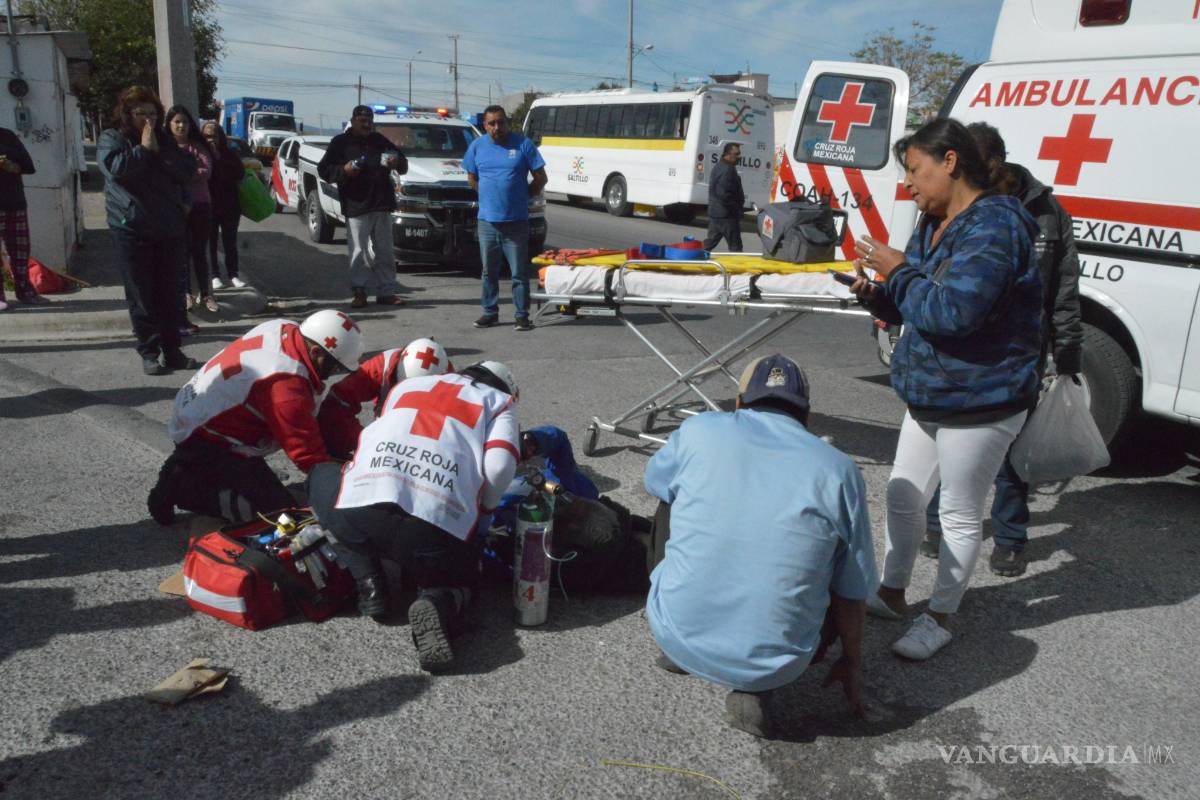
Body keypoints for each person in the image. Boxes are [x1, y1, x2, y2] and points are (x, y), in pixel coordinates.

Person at [849, 118, 1042, 661]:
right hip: (931, 394)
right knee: (903, 495)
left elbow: (956, 313)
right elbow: (918, 306)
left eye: (915, 169)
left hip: (982, 398)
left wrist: (901, 272)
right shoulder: (932, 220)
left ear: (950, 161)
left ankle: (940, 615)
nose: (908, 183)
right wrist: (878, 294)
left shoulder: (995, 227)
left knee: (958, 512)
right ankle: (891, 592)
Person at [643, 354, 875, 739]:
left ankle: (683, 640)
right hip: (781, 664)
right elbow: (854, 591)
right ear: (806, 415)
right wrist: (852, 662)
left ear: (738, 403)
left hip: (672, 631)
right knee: (838, 556)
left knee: (670, 497)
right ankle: (755, 687)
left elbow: (656, 481)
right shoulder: (838, 469)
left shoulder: (699, 430)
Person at [920, 121, 1084, 578]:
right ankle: (937, 525)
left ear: (992, 164)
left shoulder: (1046, 211)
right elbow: (928, 275)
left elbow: (1064, 287)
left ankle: (1011, 537)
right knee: (946, 446)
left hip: (1017, 358)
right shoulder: (945, 208)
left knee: (1012, 453)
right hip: (955, 354)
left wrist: (1066, 350)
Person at [307, 361, 521, 673]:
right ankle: (438, 601)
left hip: (360, 512)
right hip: (429, 534)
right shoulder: (500, 402)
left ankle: (369, 581)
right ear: (507, 388)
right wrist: (482, 518)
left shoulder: (407, 386)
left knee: (320, 475)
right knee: (459, 577)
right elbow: (499, 468)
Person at [147, 309, 365, 526]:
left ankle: (184, 467)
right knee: (281, 517)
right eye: (334, 366)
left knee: (273, 496)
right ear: (317, 351)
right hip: (211, 437)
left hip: (199, 409)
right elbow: (307, 454)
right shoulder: (287, 386)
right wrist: (335, 489)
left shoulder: (284, 327)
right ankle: (183, 487)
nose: (334, 372)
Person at [97, 85, 199, 376]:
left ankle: (174, 351)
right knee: (142, 295)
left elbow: (187, 170)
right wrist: (143, 150)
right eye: (141, 113)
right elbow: (116, 169)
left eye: (153, 113)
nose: (148, 120)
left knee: (171, 294)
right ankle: (149, 352)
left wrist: (157, 150)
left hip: (169, 227)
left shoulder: (165, 142)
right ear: (127, 114)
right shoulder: (112, 138)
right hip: (131, 227)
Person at [462, 105, 547, 332]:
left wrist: (525, 195)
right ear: (485, 125)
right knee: (489, 271)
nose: (496, 127)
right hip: (487, 222)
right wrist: (486, 194)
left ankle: (522, 315)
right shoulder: (477, 146)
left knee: (519, 273)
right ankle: (490, 312)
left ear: (507, 123)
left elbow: (541, 177)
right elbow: (471, 177)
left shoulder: (523, 145)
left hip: (516, 221)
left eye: (500, 122)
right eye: (491, 123)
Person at [316, 105, 407, 308]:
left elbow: (403, 163)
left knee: (385, 251)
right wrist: (344, 170)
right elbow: (324, 170)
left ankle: (387, 292)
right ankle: (360, 292)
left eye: (369, 120)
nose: (366, 124)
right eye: (362, 120)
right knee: (358, 251)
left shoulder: (379, 140)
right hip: (356, 204)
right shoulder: (340, 143)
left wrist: (396, 161)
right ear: (353, 120)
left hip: (381, 203)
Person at [318, 336, 453, 459]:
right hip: (385, 436)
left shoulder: (453, 383)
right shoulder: (381, 366)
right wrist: (363, 439)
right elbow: (338, 399)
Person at [164, 106, 217, 318]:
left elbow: (205, 170)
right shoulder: (165, 148)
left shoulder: (198, 148)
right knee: (181, 252)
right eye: (176, 122)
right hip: (173, 207)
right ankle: (185, 293)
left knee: (199, 251)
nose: (181, 125)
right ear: (169, 124)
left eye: (184, 122)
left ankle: (206, 294)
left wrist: (181, 173)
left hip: (201, 205)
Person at [0, 124, 45, 310]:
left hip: (14, 202)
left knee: (20, 251)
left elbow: (29, 166)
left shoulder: (7, 136)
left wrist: (11, 166)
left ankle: (24, 289)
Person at [202, 121, 248, 291]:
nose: (210, 139)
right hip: (209, 205)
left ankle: (233, 274)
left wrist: (219, 157)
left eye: (213, 136)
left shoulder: (229, 154)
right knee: (211, 242)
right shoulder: (201, 154)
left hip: (230, 205)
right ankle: (214, 275)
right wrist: (210, 157)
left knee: (230, 242)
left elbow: (239, 173)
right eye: (206, 136)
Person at [703, 142, 746, 252]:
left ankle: (692, 258)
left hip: (716, 212)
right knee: (735, 246)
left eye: (739, 153)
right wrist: (736, 210)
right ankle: (737, 268)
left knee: (710, 241)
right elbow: (724, 194)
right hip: (726, 215)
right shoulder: (728, 169)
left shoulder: (719, 166)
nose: (739, 156)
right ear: (728, 154)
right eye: (736, 154)